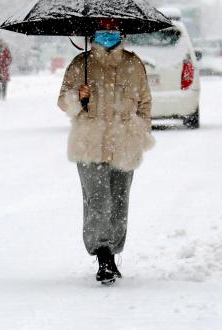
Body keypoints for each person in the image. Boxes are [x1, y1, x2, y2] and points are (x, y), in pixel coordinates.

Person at [57, 18, 155, 285]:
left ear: (121, 33)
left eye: (113, 31)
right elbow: (62, 101)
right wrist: (79, 96)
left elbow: (145, 103)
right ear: (93, 34)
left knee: (119, 202)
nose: (108, 35)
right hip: (89, 143)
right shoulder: (81, 64)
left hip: (124, 142)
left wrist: (140, 131)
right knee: (97, 200)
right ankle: (103, 257)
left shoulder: (134, 64)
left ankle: (112, 250)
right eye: (102, 31)